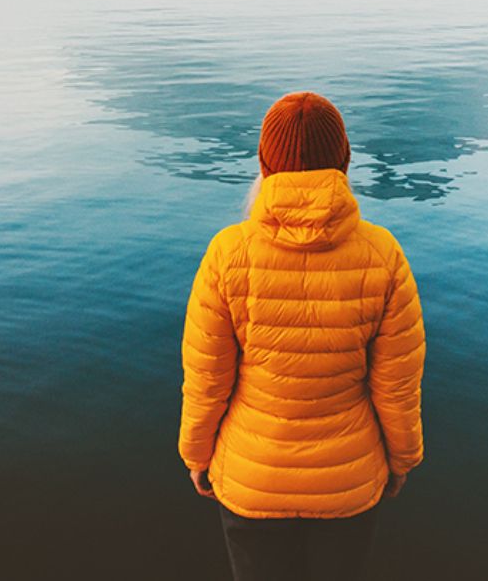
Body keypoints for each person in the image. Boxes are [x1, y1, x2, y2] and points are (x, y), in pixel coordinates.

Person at [179, 91, 426, 581]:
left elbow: (207, 379)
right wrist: (402, 459)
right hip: (349, 483)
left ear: (264, 164)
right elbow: (397, 388)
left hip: (253, 481)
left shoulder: (228, 253)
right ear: (345, 161)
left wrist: (195, 454)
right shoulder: (383, 254)